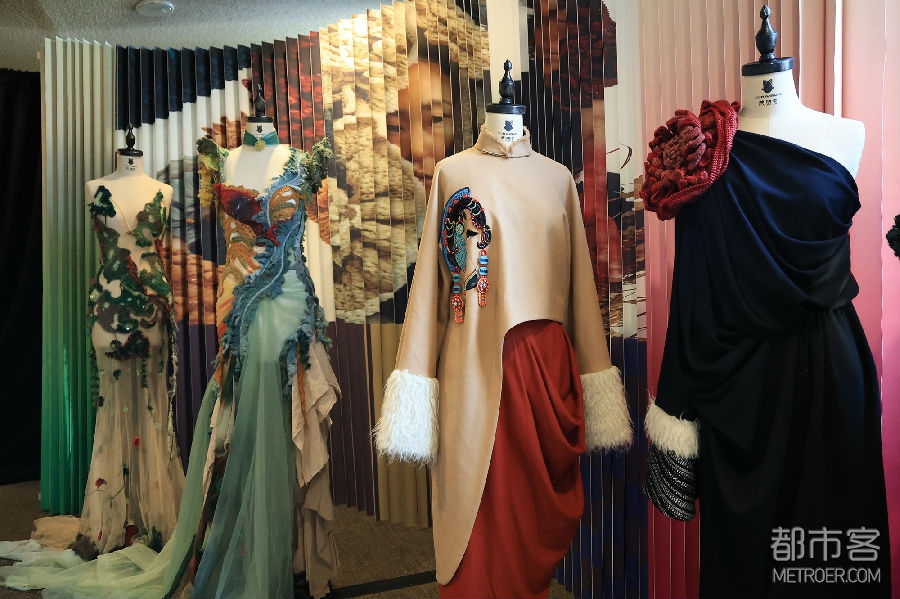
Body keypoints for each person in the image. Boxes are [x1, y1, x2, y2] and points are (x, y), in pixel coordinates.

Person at [640, 8, 890, 597]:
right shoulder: (704, 156)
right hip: (741, 394)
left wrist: (676, 405)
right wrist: (678, 405)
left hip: (822, 380)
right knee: (747, 562)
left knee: (828, 554)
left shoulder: (846, 134)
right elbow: (691, 294)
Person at [375, 60, 632, 599]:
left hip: (544, 374)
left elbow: (580, 290)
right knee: (475, 519)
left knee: (531, 522)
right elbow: (432, 289)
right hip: (472, 368)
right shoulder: (453, 173)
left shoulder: (557, 178)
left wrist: (594, 371)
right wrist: (416, 372)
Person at [76, 127, 184, 558]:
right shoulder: (94, 188)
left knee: (154, 412)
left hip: (152, 314)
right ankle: (113, 517)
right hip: (108, 311)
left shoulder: (164, 191)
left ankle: (152, 516)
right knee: (111, 412)